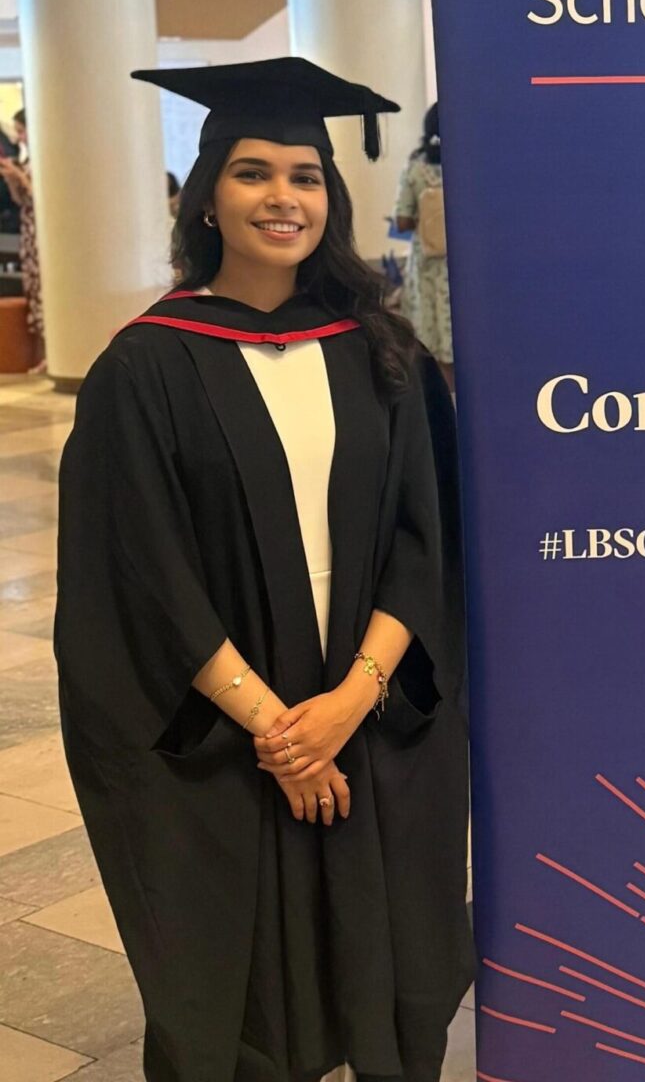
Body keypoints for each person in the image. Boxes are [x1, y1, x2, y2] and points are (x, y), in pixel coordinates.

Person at [55, 58, 472, 1082]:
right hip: (226, 730)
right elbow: (138, 576)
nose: (283, 198)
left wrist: (349, 705)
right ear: (208, 197)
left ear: (329, 200)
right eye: (253, 173)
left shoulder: (382, 353)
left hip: (367, 710)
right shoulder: (145, 367)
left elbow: (425, 541)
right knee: (243, 990)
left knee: (385, 959)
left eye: (305, 176)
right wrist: (283, 735)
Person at [394, 104, 453, 391]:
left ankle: (442, 396)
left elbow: (402, 221)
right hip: (465, 264)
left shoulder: (416, 168)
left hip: (428, 263)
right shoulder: (471, 162)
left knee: (431, 332)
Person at [0, 109, 45, 371]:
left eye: (21, 130)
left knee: (45, 287)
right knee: (34, 288)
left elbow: (42, 197)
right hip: (28, 229)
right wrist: (12, 180)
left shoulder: (45, 158)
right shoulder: (27, 160)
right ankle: (44, 351)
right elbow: (22, 200)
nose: (19, 137)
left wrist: (19, 177)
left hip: (43, 231)